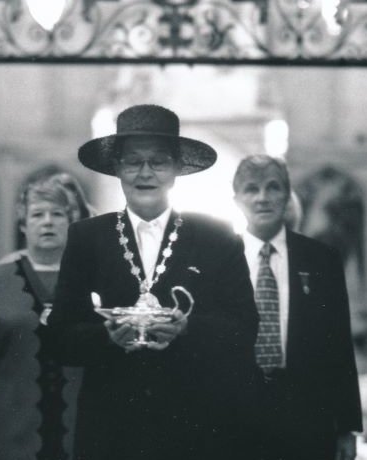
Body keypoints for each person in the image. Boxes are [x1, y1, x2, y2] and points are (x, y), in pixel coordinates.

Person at [45, 104, 260, 460]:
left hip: (195, 428)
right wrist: (105, 336)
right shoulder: (88, 237)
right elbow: (60, 335)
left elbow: (244, 326)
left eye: (158, 161)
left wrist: (187, 328)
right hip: (110, 430)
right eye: (133, 161)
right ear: (117, 168)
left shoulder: (216, 236)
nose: (145, 173)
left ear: (177, 168)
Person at [232, 154, 362, 460]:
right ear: (236, 199)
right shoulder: (221, 256)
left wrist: (347, 427)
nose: (262, 198)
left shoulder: (321, 259)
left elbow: (339, 345)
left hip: (306, 414)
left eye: (273, 187)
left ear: (287, 195)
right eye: (251, 189)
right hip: (238, 416)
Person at [0, 175, 89, 460]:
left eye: (57, 214)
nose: (48, 222)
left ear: (70, 222)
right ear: (24, 224)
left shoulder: (91, 281)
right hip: (10, 436)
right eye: (38, 214)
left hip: (80, 437)